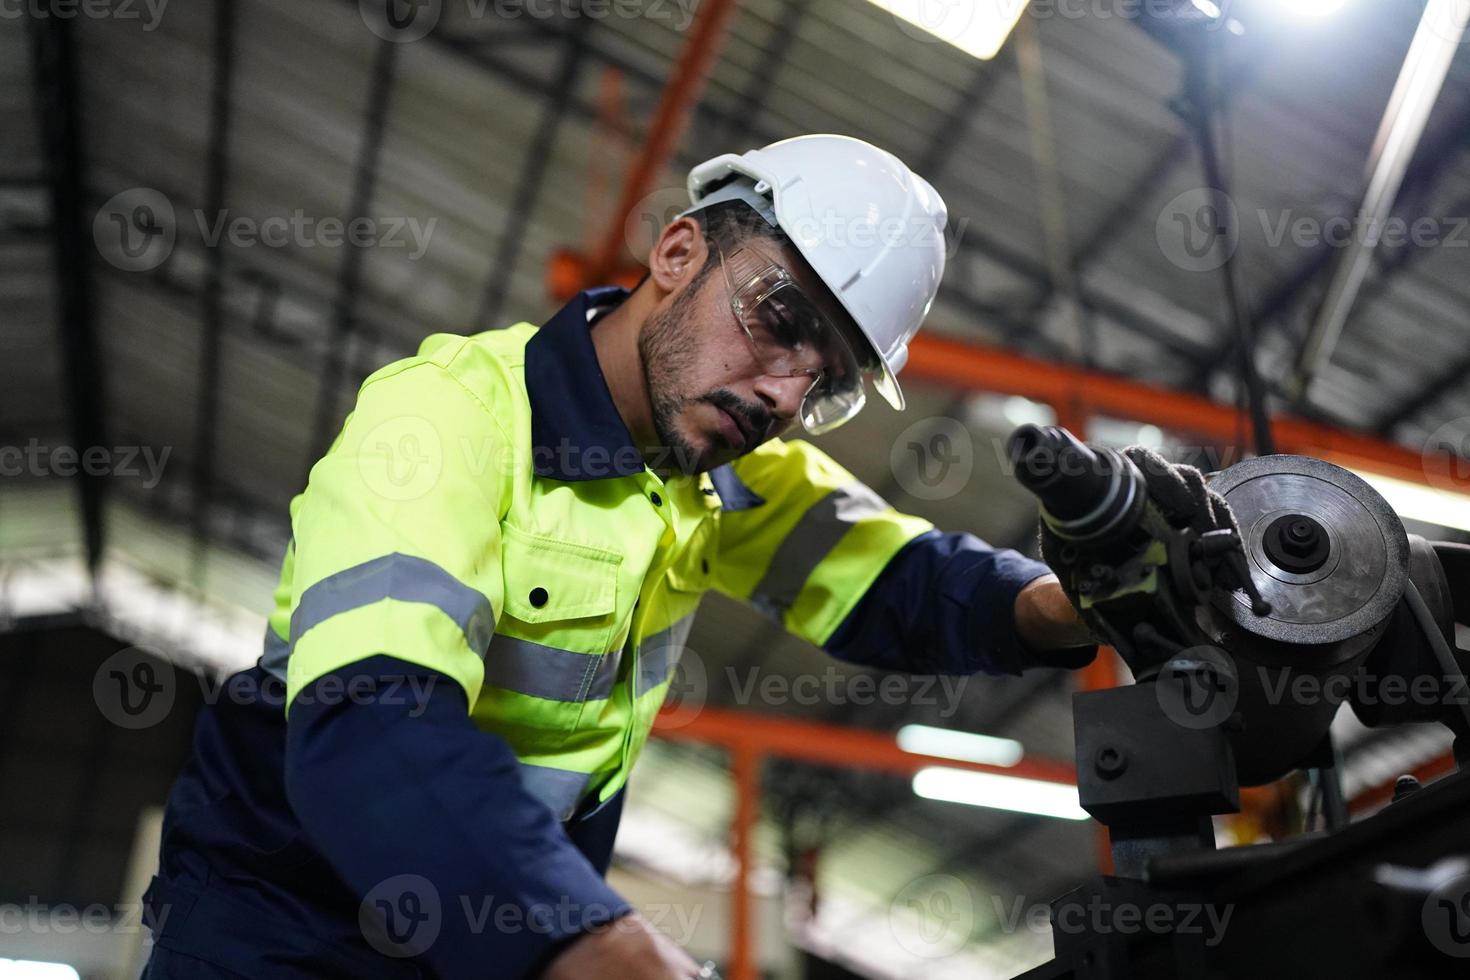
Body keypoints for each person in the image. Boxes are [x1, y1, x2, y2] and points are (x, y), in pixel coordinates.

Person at [140, 134, 1097, 979]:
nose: (782, 397)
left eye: (827, 383)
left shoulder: (711, 465)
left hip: (482, 936)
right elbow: (371, 723)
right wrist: (588, 937)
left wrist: (1066, 602)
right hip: (284, 927)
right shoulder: (450, 417)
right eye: (780, 320)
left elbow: (901, 580)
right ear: (678, 250)